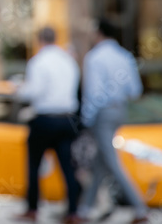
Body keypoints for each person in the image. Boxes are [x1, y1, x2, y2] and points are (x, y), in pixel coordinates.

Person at [77, 18, 149, 224]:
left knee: (111, 161)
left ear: (99, 33)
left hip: (102, 114)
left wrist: (87, 118)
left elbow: (94, 92)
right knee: (100, 163)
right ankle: (83, 211)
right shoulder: (124, 55)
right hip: (120, 111)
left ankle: (140, 209)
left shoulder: (95, 57)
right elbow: (135, 90)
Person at [12, 27, 83, 223]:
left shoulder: (39, 61)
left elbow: (34, 92)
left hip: (44, 119)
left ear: (40, 40)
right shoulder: (68, 60)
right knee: (68, 168)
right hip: (67, 119)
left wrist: (18, 89)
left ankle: (33, 208)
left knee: (34, 165)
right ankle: (73, 211)